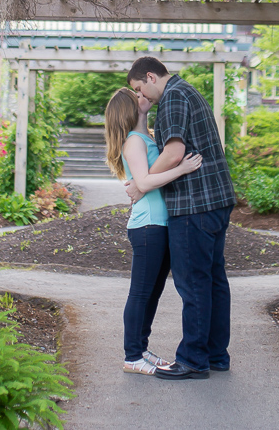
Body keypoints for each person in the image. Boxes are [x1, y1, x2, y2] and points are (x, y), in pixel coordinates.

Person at [126, 56, 236, 381]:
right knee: (214, 280)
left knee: (194, 282)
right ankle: (216, 355)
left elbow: (173, 152)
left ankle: (192, 359)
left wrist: (139, 183)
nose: (141, 97)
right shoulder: (188, 90)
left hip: (193, 204)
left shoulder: (172, 96)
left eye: (139, 89)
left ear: (149, 76)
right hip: (216, 201)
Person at [103, 87, 203, 375]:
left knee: (152, 293)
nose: (143, 95)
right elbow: (144, 183)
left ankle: (141, 348)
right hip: (147, 226)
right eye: (136, 96)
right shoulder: (134, 141)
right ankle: (132, 356)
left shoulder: (145, 136)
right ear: (129, 109)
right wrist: (181, 169)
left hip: (159, 225)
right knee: (140, 294)